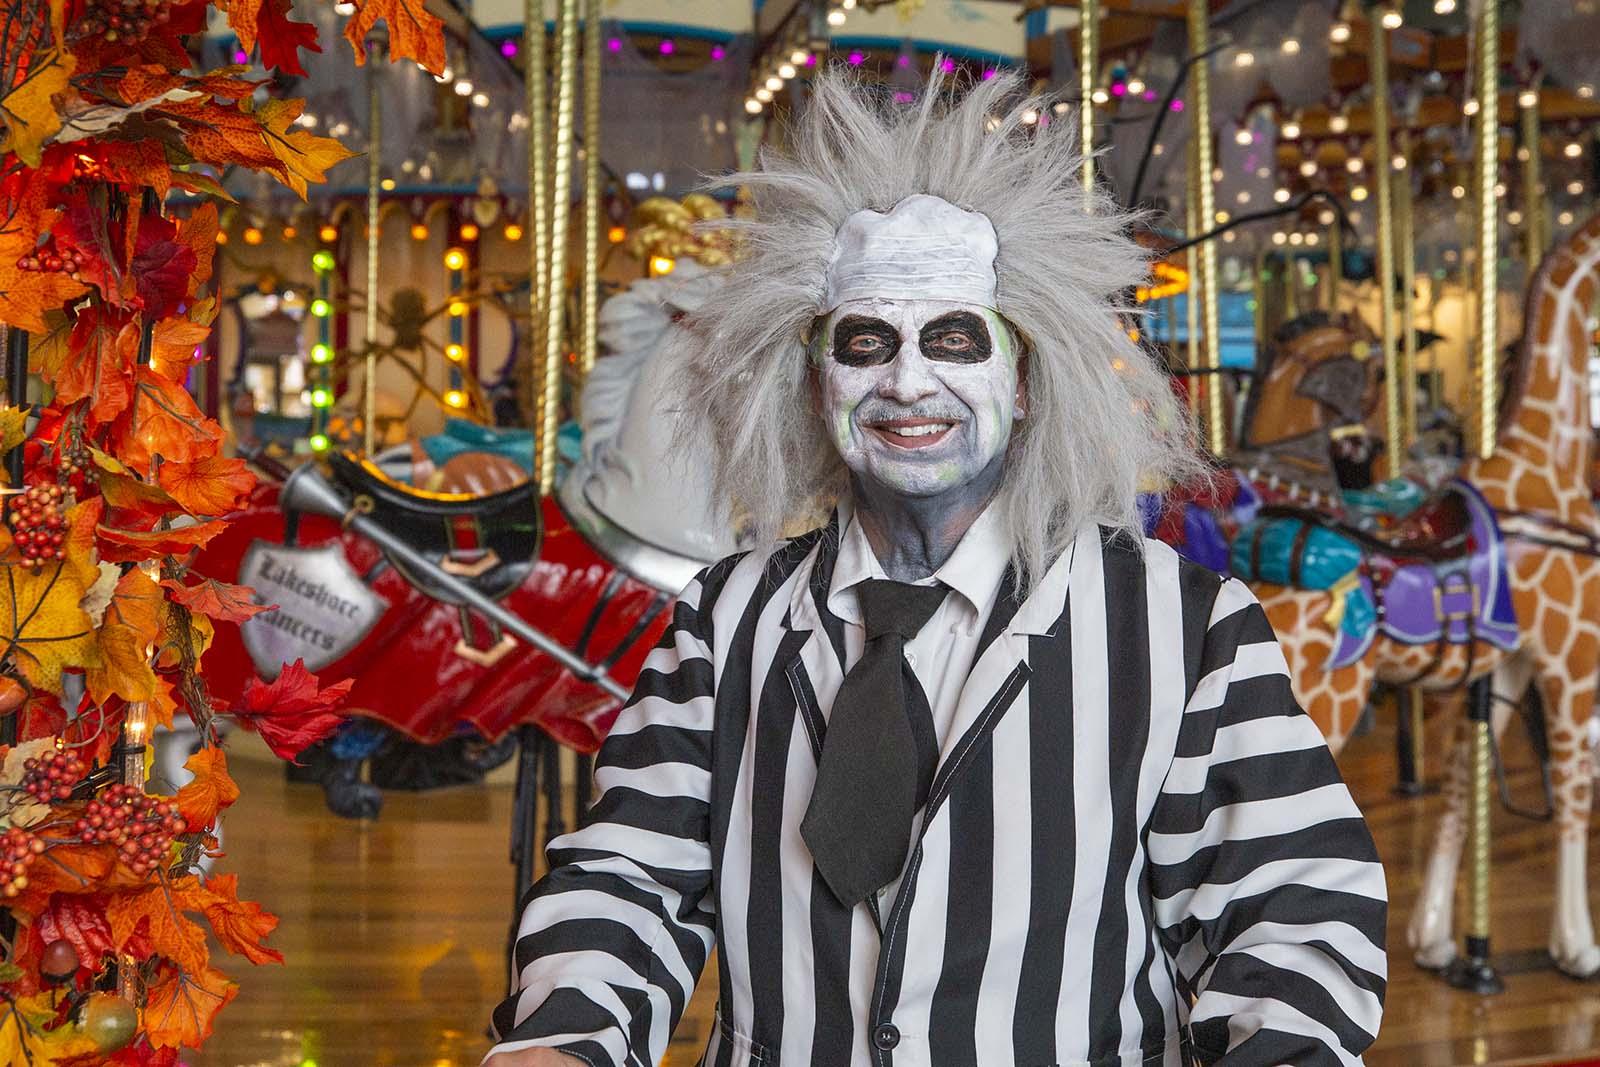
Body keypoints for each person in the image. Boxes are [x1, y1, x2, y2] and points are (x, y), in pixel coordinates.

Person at [486, 68, 1387, 1067]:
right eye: (864, 342)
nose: (906, 381)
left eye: (953, 339)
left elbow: (1294, 906)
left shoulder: (1184, 627)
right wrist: (566, 1033)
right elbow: (631, 872)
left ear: (1027, 375)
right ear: (815, 381)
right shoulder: (727, 615)